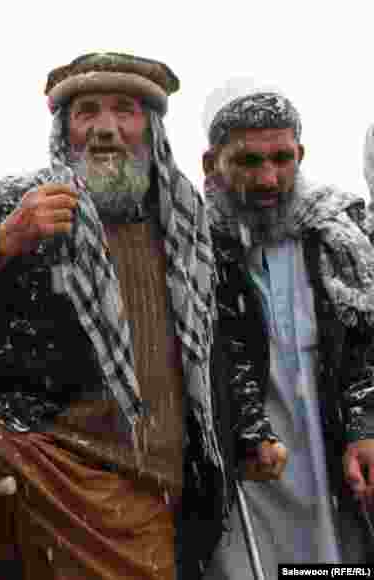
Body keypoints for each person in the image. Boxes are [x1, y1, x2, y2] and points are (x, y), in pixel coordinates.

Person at [0, 53, 243, 580]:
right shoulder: (12, 202)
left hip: (153, 478)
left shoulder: (190, 222)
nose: (106, 129)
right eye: (87, 112)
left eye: (125, 111)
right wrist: (4, 241)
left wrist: (248, 433)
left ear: (152, 127)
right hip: (47, 456)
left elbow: (227, 342)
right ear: (65, 128)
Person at [202, 83, 374, 577]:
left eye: (282, 158)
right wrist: (245, 429)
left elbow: (363, 341)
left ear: (301, 155)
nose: (269, 178)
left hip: (332, 453)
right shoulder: (192, 247)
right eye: (249, 161)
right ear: (212, 163)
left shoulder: (337, 236)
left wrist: (364, 426)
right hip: (248, 462)